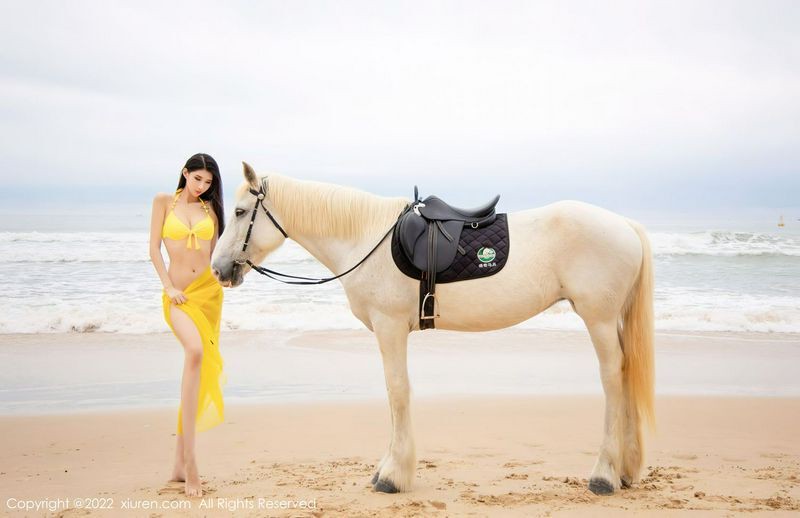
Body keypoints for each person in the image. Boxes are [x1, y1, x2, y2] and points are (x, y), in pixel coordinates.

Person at [148, 153, 226, 497]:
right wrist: (168, 287)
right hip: (178, 296)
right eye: (197, 179)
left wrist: (229, 277)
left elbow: (215, 256)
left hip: (208, 294)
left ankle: (179, 465)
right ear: (185, 173)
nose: (202, 186)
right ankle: (191, 464)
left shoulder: (211, 211)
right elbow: (154, 249)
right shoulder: (164, 201)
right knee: (194, 352)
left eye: (208, 182)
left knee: (196, 370)